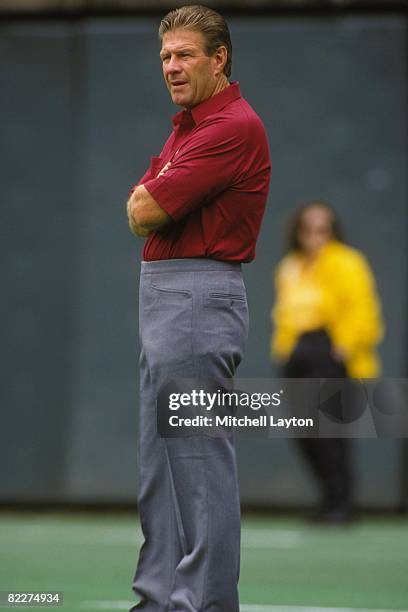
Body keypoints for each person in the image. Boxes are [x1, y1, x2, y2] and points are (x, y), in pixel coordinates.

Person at [126, 6, 271, 610]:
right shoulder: (190, 124)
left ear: (220, 58)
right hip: (168, 296)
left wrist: (155, 183)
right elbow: (146, 197)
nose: (172, 66)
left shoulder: (229, 126)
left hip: (195, 296)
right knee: (161, 471)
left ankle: (206, 605)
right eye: (165, 56)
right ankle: (158, 600)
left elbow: (141, 210)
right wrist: (156, 182)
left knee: (198, 468)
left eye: (185, 54)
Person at [271, 201, 384, 523]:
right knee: (304, 431)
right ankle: (328, 498)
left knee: (331, 432)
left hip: (329, 349)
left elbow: (363, 308)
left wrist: (344, 347)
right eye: (308, 228)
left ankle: (342, 504)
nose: (315, 235)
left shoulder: (347, 261)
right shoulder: (290, 266)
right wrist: (285, 351)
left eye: (323, 228)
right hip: (298, 351)